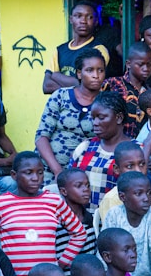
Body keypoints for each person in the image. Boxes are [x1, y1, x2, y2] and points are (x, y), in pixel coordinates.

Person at [0, 152, 87, 276]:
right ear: (14, 175)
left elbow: (79, 233)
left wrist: (61, 263)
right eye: (28, 173)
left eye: (40, 172)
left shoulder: (54, 201)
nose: (35, 178)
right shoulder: (0, 203)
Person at [35, 48, 104, 184]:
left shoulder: (106, 103)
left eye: (100, 70)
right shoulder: (61, 96)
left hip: (85, 175)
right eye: (90, 70)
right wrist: (58, 171)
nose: (96, 75)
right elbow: (41, 137)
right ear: (79, 73)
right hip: (48, 169)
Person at [69, 91, 130, 212]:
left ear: (119, 118)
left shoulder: (135, 150)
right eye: (93, 118)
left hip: (117, 224)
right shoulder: (85, 147)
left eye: (101, 118)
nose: (95, 123)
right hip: (82, 223)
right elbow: (68, 182)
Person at [42, 0, 109, 95]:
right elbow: (46, 86)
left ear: (96, 21)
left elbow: (87, 83)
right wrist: (74, 87)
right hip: (61, 108)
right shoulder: (60, 50)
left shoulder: (98, 50)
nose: (83, 21)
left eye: (89, 17)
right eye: (78, 16)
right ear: (71, 19)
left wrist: (56, 75)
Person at [101, 41, 151, 138]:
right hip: (115, 144)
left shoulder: (150, 92)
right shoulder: (113, 84)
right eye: (141, 64)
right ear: (128, 64)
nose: (146, 68)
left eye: (149, 64)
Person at [55, 169, 98, 268]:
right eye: (79, 186)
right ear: (63, 191)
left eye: (87, 185)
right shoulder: (56, 223)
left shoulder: (93, 218)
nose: (86, 189)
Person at [97, 141, 147, 223]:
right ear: (117, 169)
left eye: (142, 164)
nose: (138, 171)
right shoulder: (112, 199)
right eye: (130, 166)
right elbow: (113, 234)